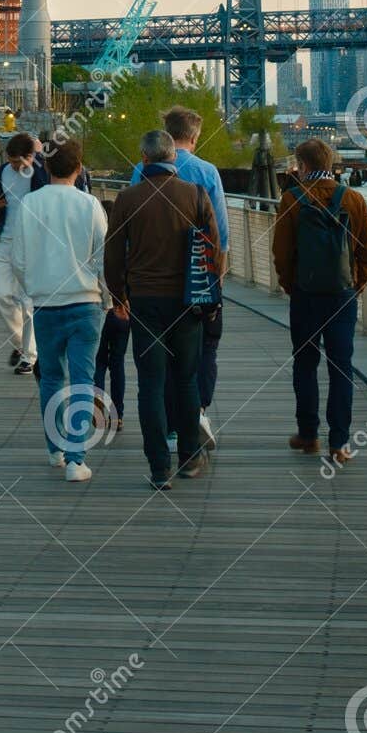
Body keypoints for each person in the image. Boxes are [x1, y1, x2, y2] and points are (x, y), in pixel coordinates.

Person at [104, 129, 220, 490]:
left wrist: (119, 296)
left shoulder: (126, 198)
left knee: (151, 383)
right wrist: (211, 299)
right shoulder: (197, 195)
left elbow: (112, 254)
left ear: (144, 159)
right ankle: (188, 458)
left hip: (145, 303)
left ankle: (158, 467)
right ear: (173, 158)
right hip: (188, 303)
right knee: (185, 380)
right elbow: (213, 251)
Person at [132, 106, 231, 452]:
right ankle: (198, 412)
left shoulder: (138, 172)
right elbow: (221, 233)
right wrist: (217, 275)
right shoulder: (207, 172)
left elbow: (132, 227)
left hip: (150, 281)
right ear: (194, 137)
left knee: (158, 363)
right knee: (203, 351)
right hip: (197, 280)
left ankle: (171, 431)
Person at [273, 137, 367, 466]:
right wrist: (356, 285)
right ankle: (340, 443)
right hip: (342, 296)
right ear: (330, 163)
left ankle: (308, 435)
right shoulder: (354, 199)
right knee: (341, 368)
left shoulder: (291, 199)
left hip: (305, 295)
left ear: (302, 166)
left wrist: (291, 286)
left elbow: (282, 253)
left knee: (305, 363)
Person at [11, 138, 108, 482]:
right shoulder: (91, 204)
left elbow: (18, 259)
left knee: (51, 377)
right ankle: (75, 458)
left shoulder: (29, 204)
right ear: (79, 169)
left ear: (47, 167)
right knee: (83, 379)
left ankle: (55, 448)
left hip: (46, 302)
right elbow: (102, 258)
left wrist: (32, 287)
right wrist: (108, 299)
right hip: (85, 303)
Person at [0, 133, 49, 375]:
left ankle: (29, 357)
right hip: (6, 237)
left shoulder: (40, 168)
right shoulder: (3, 170)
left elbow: (45, 191)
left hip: (31, 241)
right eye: (10, 162)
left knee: (27, 300)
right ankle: (21, 342)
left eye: (17, 162)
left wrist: (37, 159)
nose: (13, 167)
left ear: (29, 157)